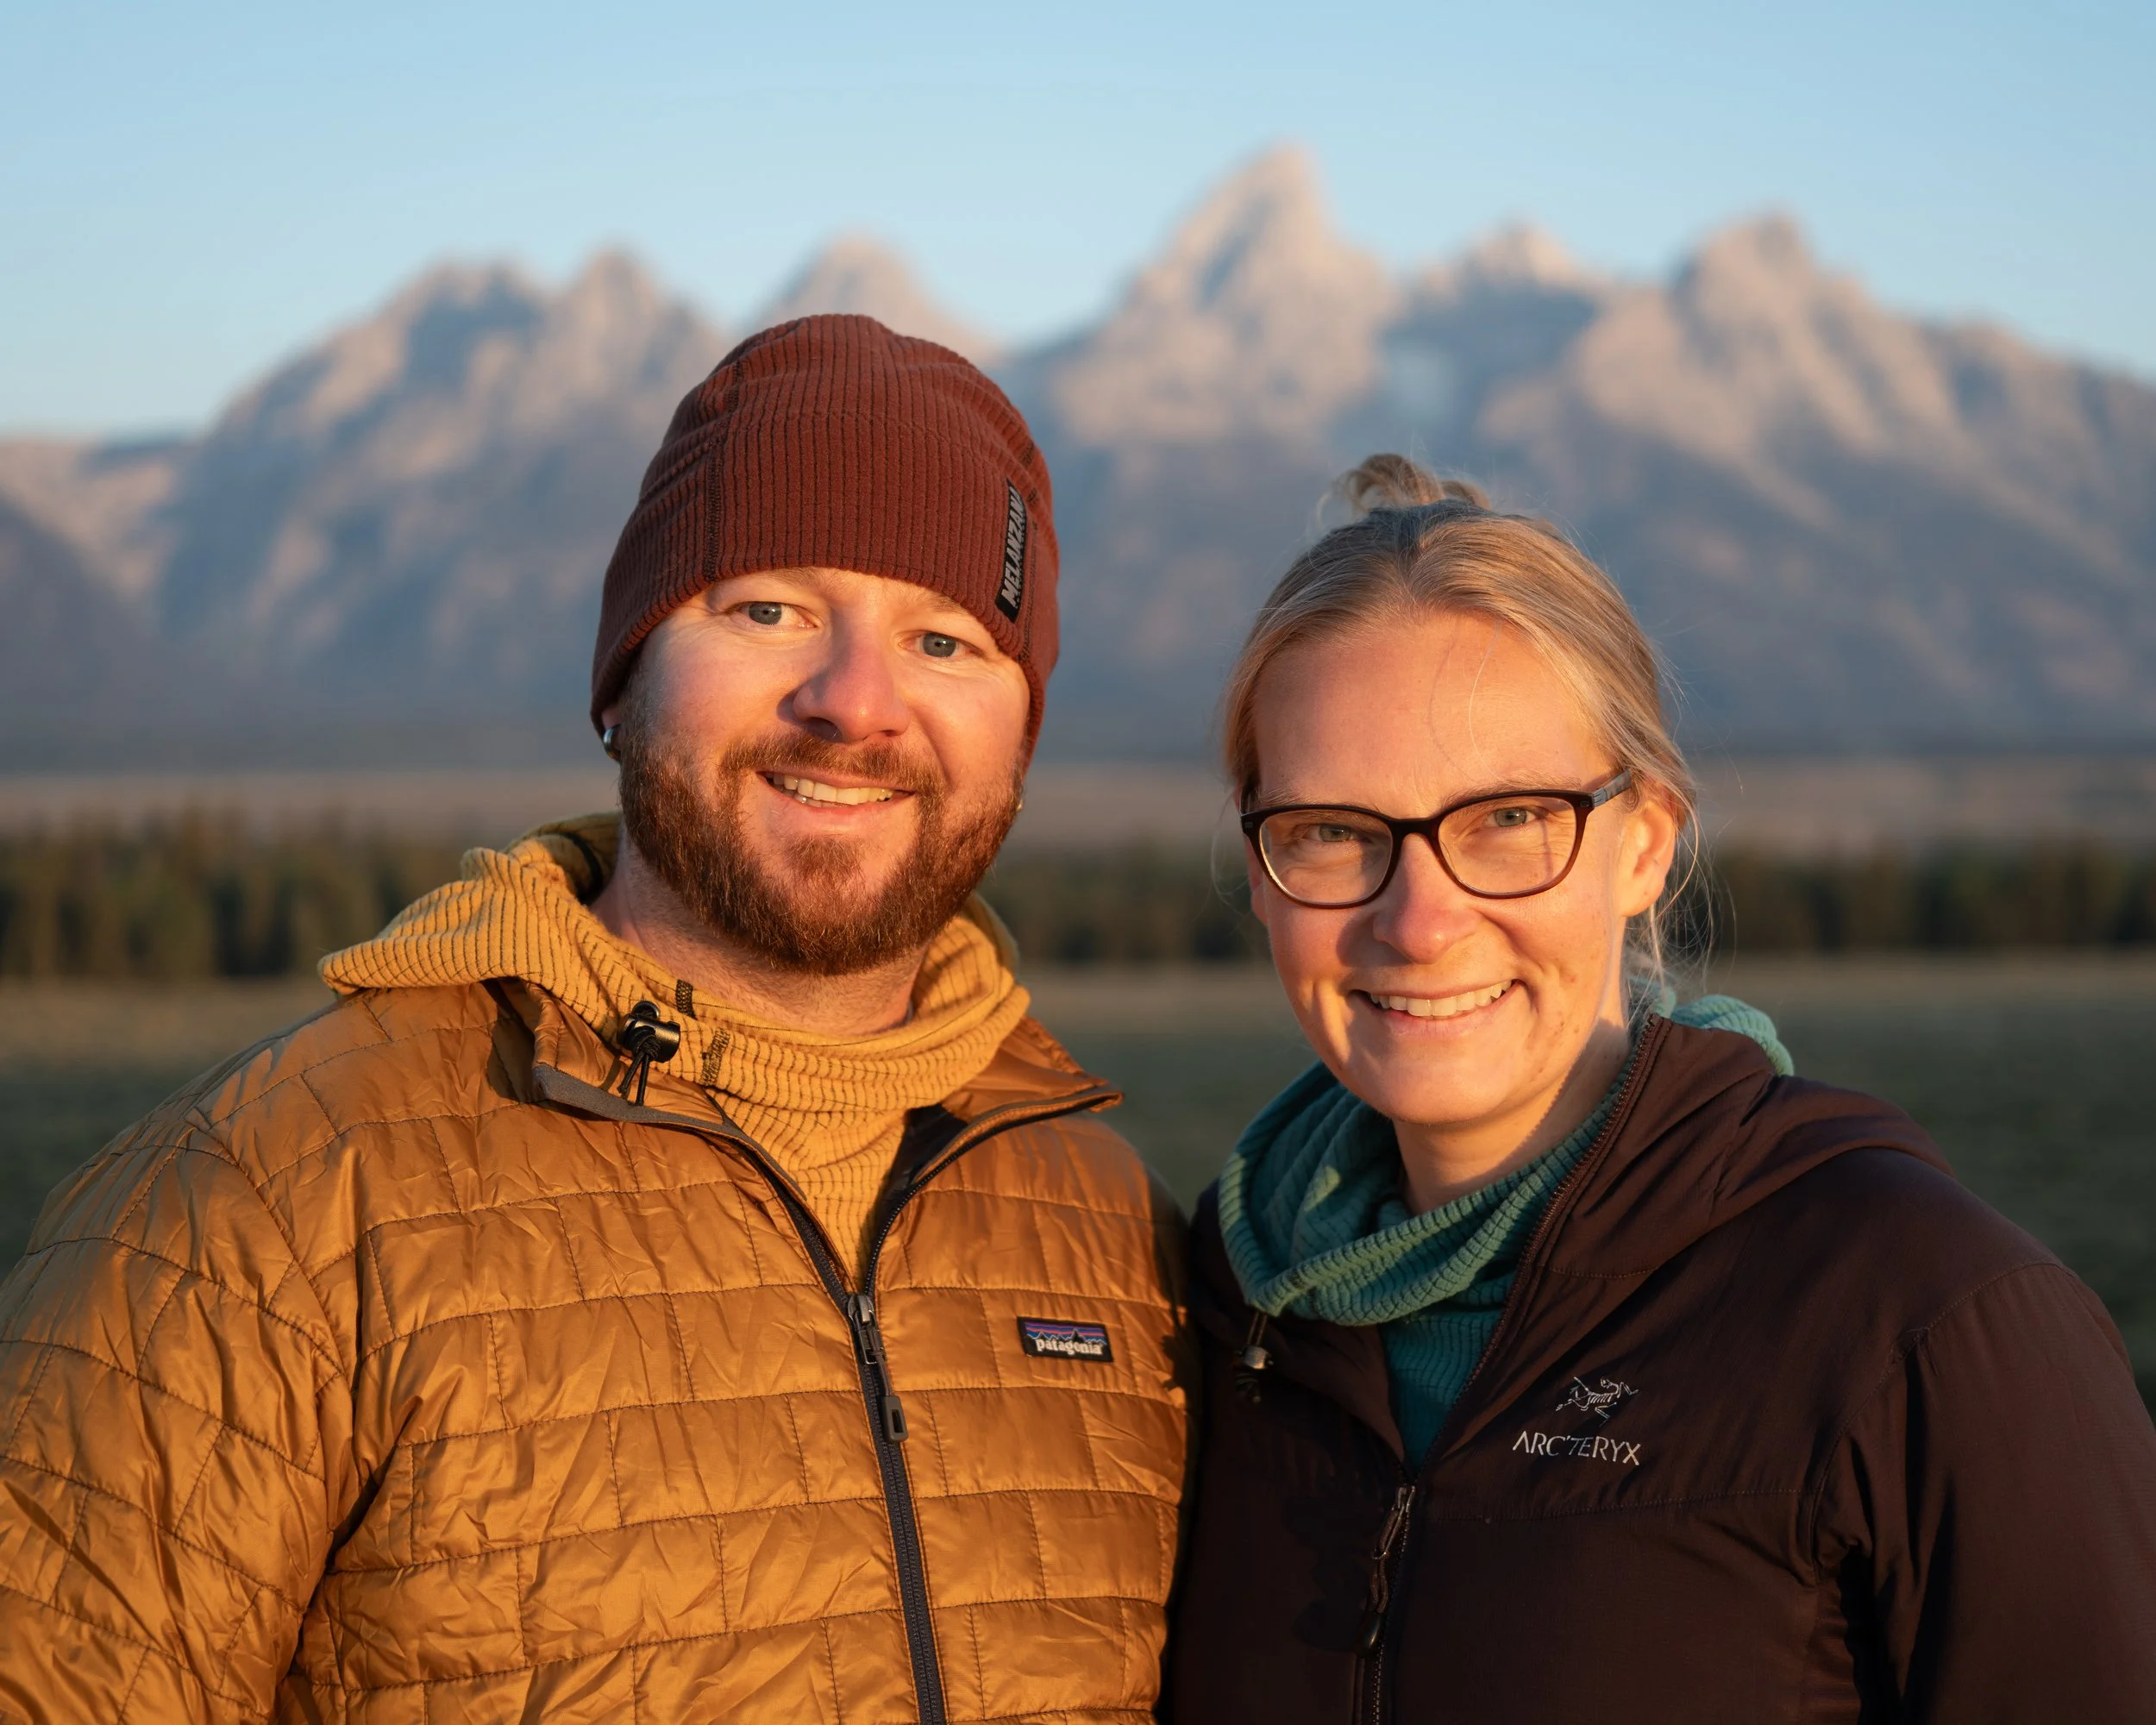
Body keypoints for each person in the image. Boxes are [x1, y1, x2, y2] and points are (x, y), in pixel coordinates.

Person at [0, 317, 1191, 1722]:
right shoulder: (263, 1206)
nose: (856, 703)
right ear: (623, 680)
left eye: (945, 639)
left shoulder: (1127, 1243)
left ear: (1022, 739)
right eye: (768, 611)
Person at [1166, 455, 2156, 1722]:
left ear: (1644, 843)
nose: (1418, 921)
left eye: (1510, 819)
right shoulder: (1218, 1318)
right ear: (1258, 869)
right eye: (1331, 831)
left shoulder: (1921, 1318)